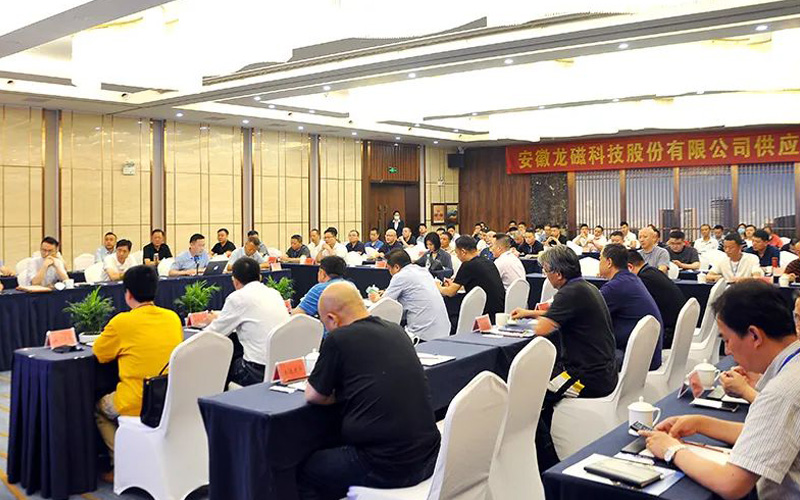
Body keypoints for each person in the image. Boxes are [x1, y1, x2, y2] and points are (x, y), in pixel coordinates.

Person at [640, 280, 800, 500]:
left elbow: (732, 483)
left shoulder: (782, 391)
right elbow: (769, 435)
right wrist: (700, 423)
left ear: (754, 336)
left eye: (727, 339)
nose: (728, 350)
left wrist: (672, 450)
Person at [299, 282, 439, 500]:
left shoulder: (338, 338)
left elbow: (313, 395)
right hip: (428, 458)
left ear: (332, 319)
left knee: (308, 470)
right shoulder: (396, 330)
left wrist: (339, 394)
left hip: (386, 465)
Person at [509, 245, 618, 470]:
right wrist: (530, 313)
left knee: (530, 396)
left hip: (587, 377)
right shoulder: (585, 287)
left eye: (546, 271)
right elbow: (559, 312)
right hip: (604, 369)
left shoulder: (569, 293)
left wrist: (530, 322)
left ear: (558, 274)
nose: (545, 276)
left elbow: (542, 329)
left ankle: (546, 462)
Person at [93, 265, 182, 477]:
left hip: (136, 401)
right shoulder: (172, 318)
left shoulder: (122, 322)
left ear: (128, 294)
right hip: (168, 397)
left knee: (99, 409)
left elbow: (100, 354)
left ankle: (121, 465)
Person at [204, 257, 289, 386]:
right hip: (282, 367)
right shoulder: (274, 293)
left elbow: (214, 333)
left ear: (235, 281)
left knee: (221, 362)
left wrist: (211, 322)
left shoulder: (238, 298)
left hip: (256, 371)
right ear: (260, 277)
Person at [598, 244, 663, 370]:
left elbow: (589, 313)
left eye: (600, 259)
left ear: (609, 262)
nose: (599, 263)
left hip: (636, 359)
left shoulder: (616, 286)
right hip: (649, 355)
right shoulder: (632, 279)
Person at [372, 250, 450, 341]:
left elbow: (384, 303)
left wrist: (375, 298)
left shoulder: (400, 276)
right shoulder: (423, 271)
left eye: (389, 269)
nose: (389, 272)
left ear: (396, 267)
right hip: (444, 331)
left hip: (423, 334)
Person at [628, 250, 686, 348]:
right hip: (678, 331)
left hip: (667, 335)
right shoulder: (652, 271)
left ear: (630, 267)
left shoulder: (643, 279)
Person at [436, 236, 505, 316]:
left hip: (484, 312)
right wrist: (454, 284)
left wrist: (438, 286)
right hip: (499, 309)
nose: (457, 256)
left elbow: (450, 292)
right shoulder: (487, 262)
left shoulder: (467, 265)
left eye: (457, 253)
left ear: (463, 252)